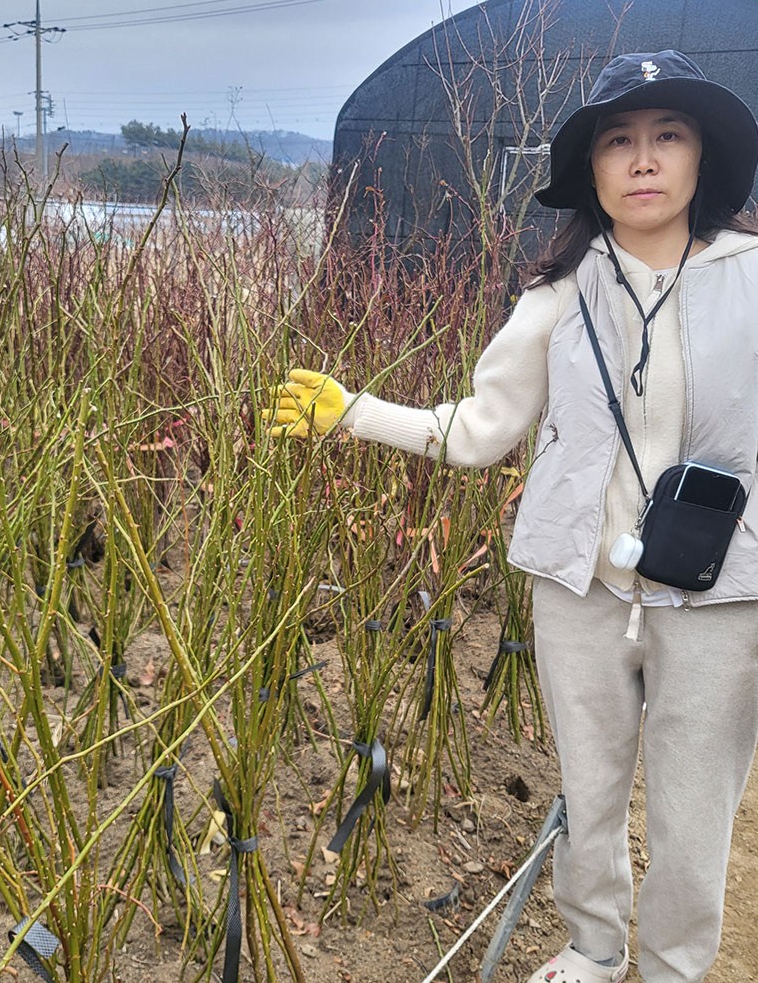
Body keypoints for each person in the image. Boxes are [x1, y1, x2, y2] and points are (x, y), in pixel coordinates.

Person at [266, 50, 758, 983]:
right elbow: (483, 429)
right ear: (593, 171)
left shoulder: (753, 277)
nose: (643, 160)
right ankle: (593, 949)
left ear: (703, 159)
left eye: (667, 137)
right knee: (592, 789)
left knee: (697, 812)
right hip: (579, 589)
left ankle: (674, 968)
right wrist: (355, 411)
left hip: (721, 594)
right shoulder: (557, 296)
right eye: (619, 142)